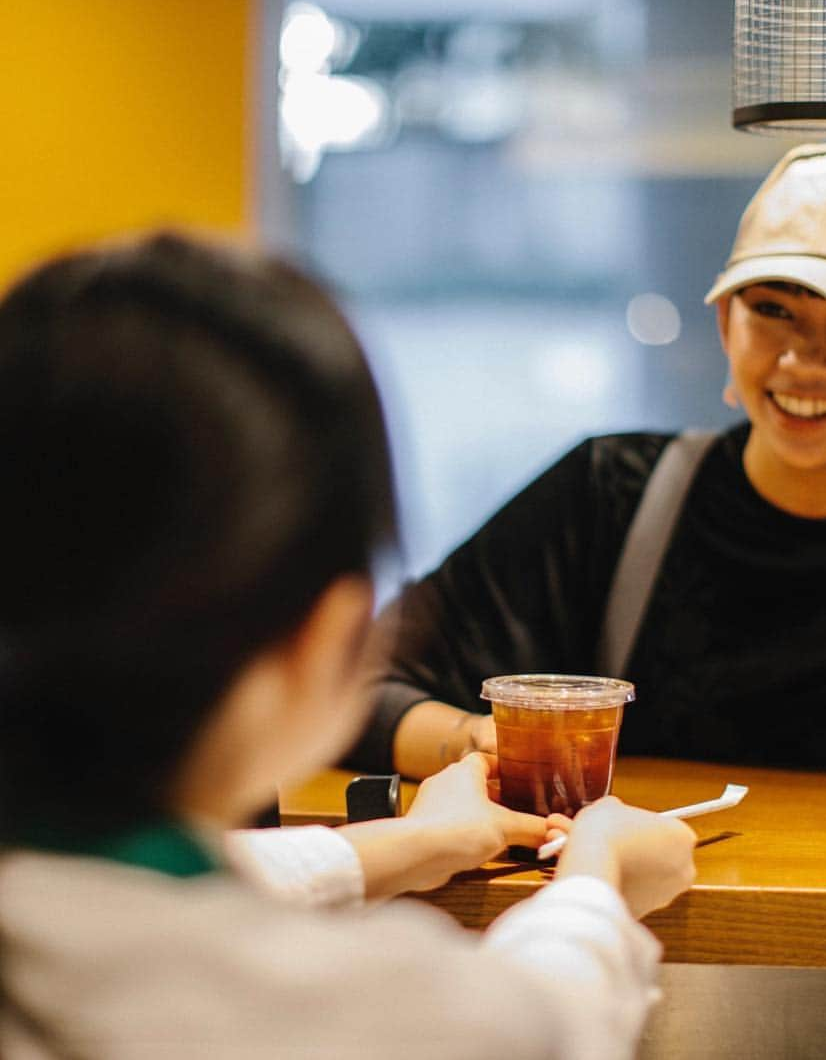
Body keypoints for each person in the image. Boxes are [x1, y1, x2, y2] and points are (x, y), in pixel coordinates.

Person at [0, 232, 696, 1058]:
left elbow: (112, 893)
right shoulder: (370, 1012)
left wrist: (418, 842)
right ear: (325, 632)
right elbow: (539, 1019)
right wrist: (598, 880)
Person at [350, 140, 826, 780]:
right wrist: (487, 742)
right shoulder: (607, 501)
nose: (801, 360)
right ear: (725, 319)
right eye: (773, 308)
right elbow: (355, 686)